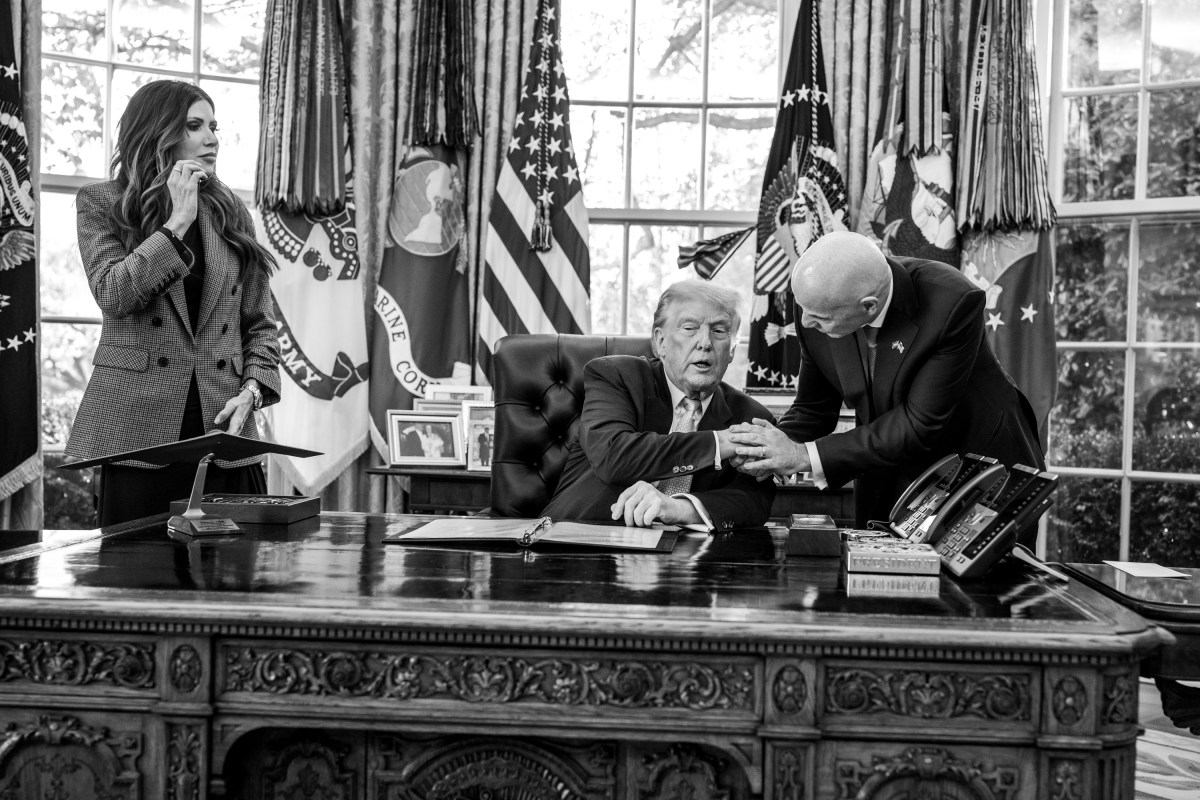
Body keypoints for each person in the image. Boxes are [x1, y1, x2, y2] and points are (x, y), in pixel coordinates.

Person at [729, 231, 1044, 538]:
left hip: (975, 467)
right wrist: (770, 450)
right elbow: (814, 408)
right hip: (886, 463)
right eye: (804, 311)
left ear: (868, 306)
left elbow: (918, 424)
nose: (807, 324)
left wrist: (802, 456)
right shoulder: (818, 303)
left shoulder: (953, 301)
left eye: (819, 318)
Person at [66, 80, 281, 526]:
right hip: (136, 435)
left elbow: (260, 323)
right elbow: (114, 292)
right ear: (159, 132)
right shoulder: (100, 202)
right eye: (195, 126)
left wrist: (253, 391)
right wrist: (176, 221)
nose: (212, 138)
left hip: (225, 432)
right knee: (134, 578)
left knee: (230, 582)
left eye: (214, 126)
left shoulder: (230, 212)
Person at [542, 281, 776, 530]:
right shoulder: (616, 377)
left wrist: (677, 508)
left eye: (719, 331)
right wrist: (721, 443)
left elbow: (753, 502)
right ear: (660, 341)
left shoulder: (752, 418)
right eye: (690, 328)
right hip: (576, 544)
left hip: (685, 559)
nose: (705, 343)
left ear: (732, 350)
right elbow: (616, 456)